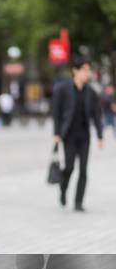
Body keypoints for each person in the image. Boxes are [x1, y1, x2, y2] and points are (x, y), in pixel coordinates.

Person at [52, 56, 103, 212]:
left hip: (84, 136)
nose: (87, 74)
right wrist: (56, 133)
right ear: (75, 70)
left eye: (88, 70)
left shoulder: (91, 92)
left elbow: (96, 114)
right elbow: (57, 112)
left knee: (83, 170)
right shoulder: (63, 89)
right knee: (69, 167)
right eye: (84, 70)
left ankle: (78, 202)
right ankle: (63, 189)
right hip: (68, 136)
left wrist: (100, 135)